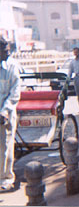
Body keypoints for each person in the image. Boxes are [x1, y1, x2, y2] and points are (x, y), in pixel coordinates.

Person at [0, 37, 21, 191]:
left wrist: (4, 111)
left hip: (5, 112)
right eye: (4, 50)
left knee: (5, 146)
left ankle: (6, 178)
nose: (8, 53)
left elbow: (14, 93)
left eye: (8, 50)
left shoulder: (12, 66)